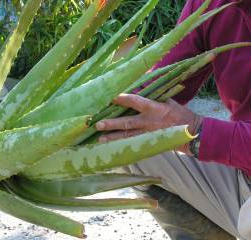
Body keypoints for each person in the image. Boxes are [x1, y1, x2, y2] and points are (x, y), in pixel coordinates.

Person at [96, 0, 251, 239]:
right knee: (127, 140)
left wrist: (198, 133)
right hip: (244, 177)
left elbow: (197, 133)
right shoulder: (211, 4)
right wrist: (89, 113)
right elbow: (157, 86)